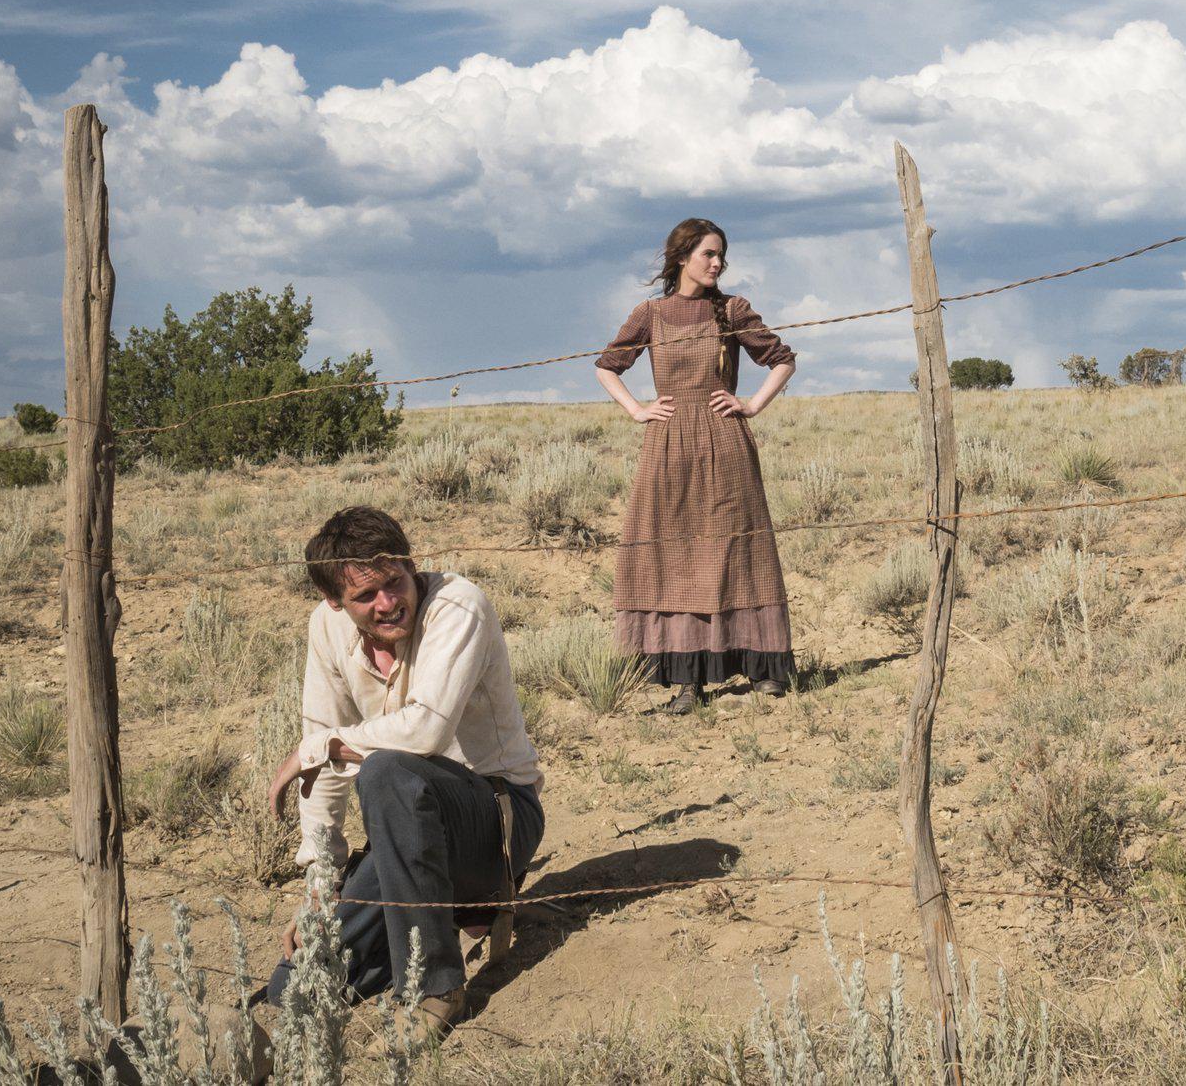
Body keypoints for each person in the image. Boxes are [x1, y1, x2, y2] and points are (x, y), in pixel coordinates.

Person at [263, 506, 544, 1040]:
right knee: (298, 986)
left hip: (498, 817)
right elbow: (324, 765)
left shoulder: (458, 605)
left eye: (394, 582)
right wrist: (321, 889)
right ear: (333, 601)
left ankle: (435, 988)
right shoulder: (325, 629)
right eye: (365, 597)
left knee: (387, 769)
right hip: (408, 837)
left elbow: (425, 734)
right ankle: (446, 918)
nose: (388, 603)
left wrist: (320, 747)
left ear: (412, 565)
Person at [594, 218, 798, 713]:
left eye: (721, 255)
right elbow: (606, 366)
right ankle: (688, 681)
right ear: (682, 256)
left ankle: (762, 668)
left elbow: (783, 359)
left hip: (724, 440)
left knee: (737, 548)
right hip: (668, 446)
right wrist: (638, 410)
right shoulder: (650, 313)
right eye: (708, 253)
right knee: (676, 556)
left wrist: (751, 404)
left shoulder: (731, 310)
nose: (717, 263)